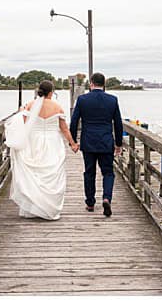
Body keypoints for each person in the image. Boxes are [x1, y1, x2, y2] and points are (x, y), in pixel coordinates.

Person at [8, 80, 75, 220]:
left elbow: (25, 125)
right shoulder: (57, 107)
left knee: (35, 173)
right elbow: (64, 129)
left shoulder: (31, 105)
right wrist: (73, 143)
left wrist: (21, 112)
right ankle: (49, 208)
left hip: (34, 141)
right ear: (51, 92)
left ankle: (34, 207)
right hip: (52, 142)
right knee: (51, 173)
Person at [69, 72, 124, 217]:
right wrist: (118, 143)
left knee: (89, 172)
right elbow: (118, 124)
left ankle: (90, 203)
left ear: (91, 84)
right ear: (104, 84)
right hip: (106, 141)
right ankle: (106, 198)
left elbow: (74, 121)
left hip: (88, 142)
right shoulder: (112, 100)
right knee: (108, 172)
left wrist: (73, 141)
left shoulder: (82, 100)